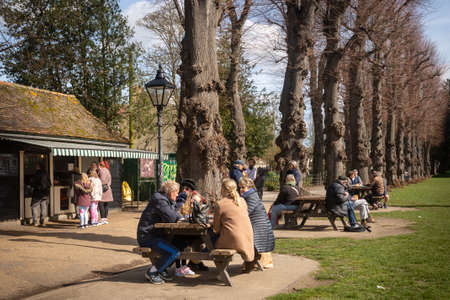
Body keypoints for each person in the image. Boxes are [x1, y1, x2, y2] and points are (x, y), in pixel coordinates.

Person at [137, 180, 182, 284]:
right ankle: (152, 272)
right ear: (171, 192)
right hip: (148, 237)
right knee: (174, 252)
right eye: (176, 192)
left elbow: (173, 213)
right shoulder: (160, 200)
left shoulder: (163, 199)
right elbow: (171, 217)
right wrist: (181, 217)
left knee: (179, 244)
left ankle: (161, 269)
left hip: (154, 235)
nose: (177, 194)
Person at [214, 178, 255, 272]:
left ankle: (220, 269)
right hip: (247, 236)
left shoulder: (220, 204)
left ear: (223, 189)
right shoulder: (242, 201)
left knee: (210, 240)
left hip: (233, 239)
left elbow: (216, 228)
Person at [239, 177, 275, 270]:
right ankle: (251, 262)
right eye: (240, 187)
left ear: (249, 187)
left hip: (260, 225)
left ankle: (252, 262)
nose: (241, 189)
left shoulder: (251, 196)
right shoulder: (250, 195)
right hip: (258, 224)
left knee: (250, 242)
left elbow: (247, 212)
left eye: (243, 187)